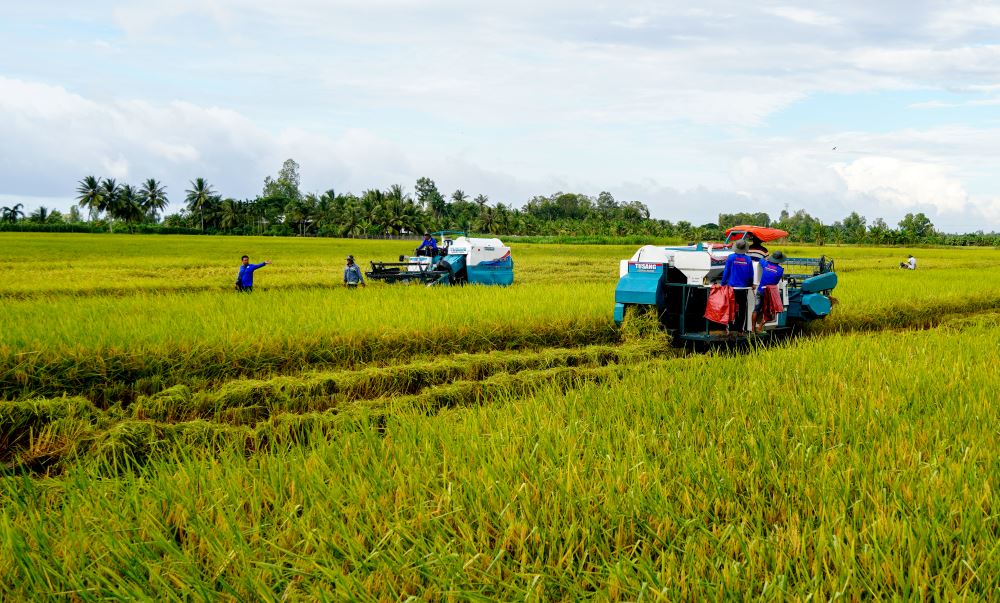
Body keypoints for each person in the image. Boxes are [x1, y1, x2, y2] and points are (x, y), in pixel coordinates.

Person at [753, 250, 786, 332]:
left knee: (756, 310)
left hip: (760, 290)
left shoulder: (766, 264)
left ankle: (753, 328)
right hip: (769, 293)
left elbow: (761, 260)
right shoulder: (780, 270)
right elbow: (776, 281)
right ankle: (760, 326)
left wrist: (766, 259)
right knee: (770, 312)